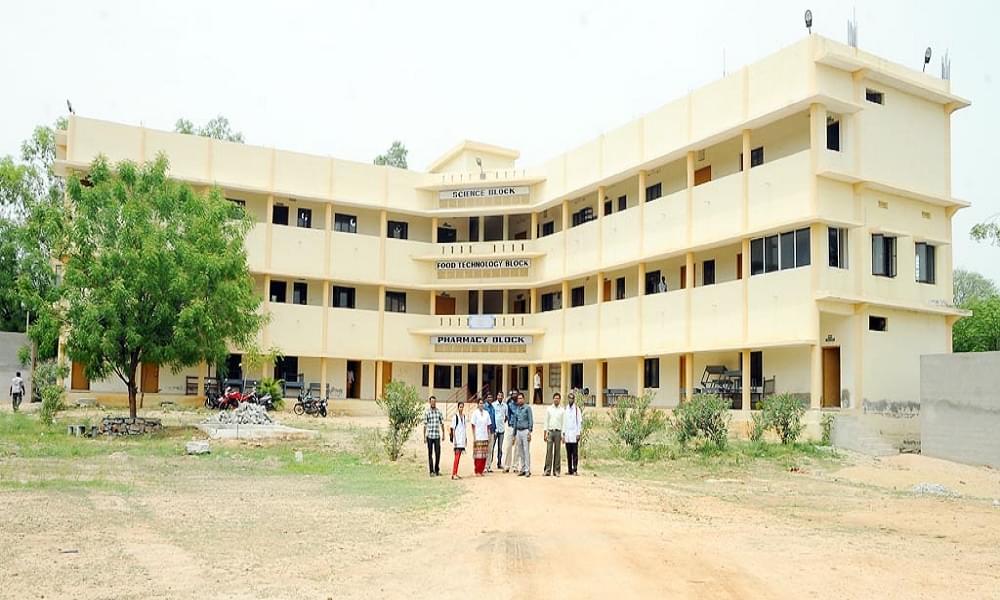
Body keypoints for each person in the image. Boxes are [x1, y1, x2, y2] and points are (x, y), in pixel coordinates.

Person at [511, 391, 534, 477]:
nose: (519, 400)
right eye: (518, 399)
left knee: (526, 451)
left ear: (524, 399)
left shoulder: (527, 408)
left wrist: (530, 432)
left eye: (521, 398)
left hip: (525, 431)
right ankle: (523, 468)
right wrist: (514, 434)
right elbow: (515, 423)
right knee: (520, 452)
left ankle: (528, 470)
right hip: (518, 432)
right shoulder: (517, 409)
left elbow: (530, 420)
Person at [543, 392, 564, 476]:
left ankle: (557, 471)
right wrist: (545, 433)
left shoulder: (562, 410)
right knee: (549, 451)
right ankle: (547, 470)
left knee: (557, 452)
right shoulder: (549, 409)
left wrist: (563, 434)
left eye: (558, 398)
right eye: (555, 398)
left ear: (560, 400)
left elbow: (563, 423)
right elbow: (546, 421)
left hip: (558, 432)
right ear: (553, 399)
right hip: (550, 432)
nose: (556, 399)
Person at [422, 395, 444, 476]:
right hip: (430, 436)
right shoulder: (427, 412)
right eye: (432, 401)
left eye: (434, 402)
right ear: (429, 402)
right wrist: (424, 436)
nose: (433, 403)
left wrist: (444, 434)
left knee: (438, 453)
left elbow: (442, 423)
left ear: (436, 402)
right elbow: (425, 425)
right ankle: (431, 471)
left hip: (437, 436)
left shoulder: (439, 412)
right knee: (430, 454)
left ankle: (437, 470)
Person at [563, 391, 583, 475]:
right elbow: (564, 422)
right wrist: (563, 434)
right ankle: (569, 470)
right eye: (569, 398)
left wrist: (578, 433)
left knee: (575, 453)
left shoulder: (577, 409)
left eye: (572, 398)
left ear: (574, 399)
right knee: (568, 454)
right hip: (567, 434)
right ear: (568, 399)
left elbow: (579, 422)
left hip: (574, 434)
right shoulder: (566, 409)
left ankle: (575, 469)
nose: (570, 400)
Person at [471, 398, 492, 476]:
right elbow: (473, 425)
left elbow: (488, 426)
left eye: (482, 403)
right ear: (477, 404)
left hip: (485, 436)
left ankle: (481, 470)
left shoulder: (486, 413)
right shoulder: (475, 413)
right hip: (478, 436)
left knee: (484, 455)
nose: (481, 405)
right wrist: (474, 436)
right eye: (480, 403)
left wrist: (489, 435)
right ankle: (477, 471)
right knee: (478, 455)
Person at [502, 390, 522, 473]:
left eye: (515, 394)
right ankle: (507, 466)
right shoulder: (508, 404)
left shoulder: (520, 405)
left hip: (518, 428)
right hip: (510, 426)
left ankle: (515, 466)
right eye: (512, 394)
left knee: (517, 448)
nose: (514, 395)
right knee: (508, 447)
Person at [450, 401, 467, 480]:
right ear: (458, 407)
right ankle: (454, 474)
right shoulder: (455, 417)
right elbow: (453, 429)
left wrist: (465, 438)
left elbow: (464, 428)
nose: (461, 408)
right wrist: (454, 439)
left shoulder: (464, 416)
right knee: (456, 458)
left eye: (462, 407)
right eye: (460, 407)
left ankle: (456, 473)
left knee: (458, 457)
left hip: (462, 439)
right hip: (457, 440)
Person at [489, 391, 506, 471]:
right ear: (497, 396)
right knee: (492, 447)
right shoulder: (493, 405)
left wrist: (502, 422)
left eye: (501, 396)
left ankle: (499, 463)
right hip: (494, 430)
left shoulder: (505, 406)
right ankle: (489, 464)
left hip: (502, 430)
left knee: (500, 448)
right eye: (498, 395)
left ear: (503, 397)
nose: (500, 397)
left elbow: (506, 417)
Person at [483, 393, 497, 473]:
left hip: (492, 431)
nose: (490, 398)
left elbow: (493, 419)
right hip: (486, 431)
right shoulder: (484, 407)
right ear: (486, 398)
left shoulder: (492, 408)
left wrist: (494, 430)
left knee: (490, 449)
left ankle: (488, 466)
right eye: (488, 397)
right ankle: (484, 466)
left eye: (491, 397)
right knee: (485, 449)